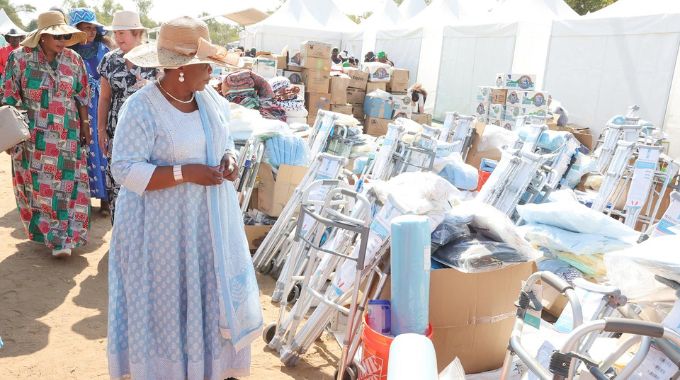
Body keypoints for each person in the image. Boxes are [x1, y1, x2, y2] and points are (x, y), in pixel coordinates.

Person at [107, 16, 262, 379]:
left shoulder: (208, 100)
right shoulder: (142, 108)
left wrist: (229, 158)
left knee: (201, 300)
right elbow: (125, 170)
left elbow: (224, 139)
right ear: (179, 70)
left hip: (201, 230)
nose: (212, 72)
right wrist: (185, 173)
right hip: (157, 235)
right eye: (205, 64)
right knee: (165, 305)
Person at [2, 11, 91, 258]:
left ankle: (66, 237)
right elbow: (9, 96)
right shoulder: (19, 59)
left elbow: (82, 95)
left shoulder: (73, 60)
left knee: (69, 186)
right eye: (57, 35)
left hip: (68, 134)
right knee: (39, 188)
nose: (63, 40)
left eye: (65, 35)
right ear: (42, 37)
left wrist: (85, 125)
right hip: (32, 138)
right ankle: (51, 236)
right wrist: (12, 135)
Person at [97, 10, 157, 223]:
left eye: (123, 33)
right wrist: (101, 130)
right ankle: (120, 236)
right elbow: (104, 98)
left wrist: (151, 86)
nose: (118, 38)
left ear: (137, 33)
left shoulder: (155, 59)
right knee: (117, 185)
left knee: (145, 184)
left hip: (148, 135)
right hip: (117, 133)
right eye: (116, 33)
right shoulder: (109, 60)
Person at [69, 8, 111, 213]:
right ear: (76, 30)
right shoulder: (68, 53)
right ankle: (82, 200)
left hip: (100, 106)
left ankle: (105, 199)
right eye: (87, 28)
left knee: (102, 149)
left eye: (94, 28)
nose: (92, 32)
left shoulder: (104, 49)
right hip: (76, 107)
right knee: (81, 151)